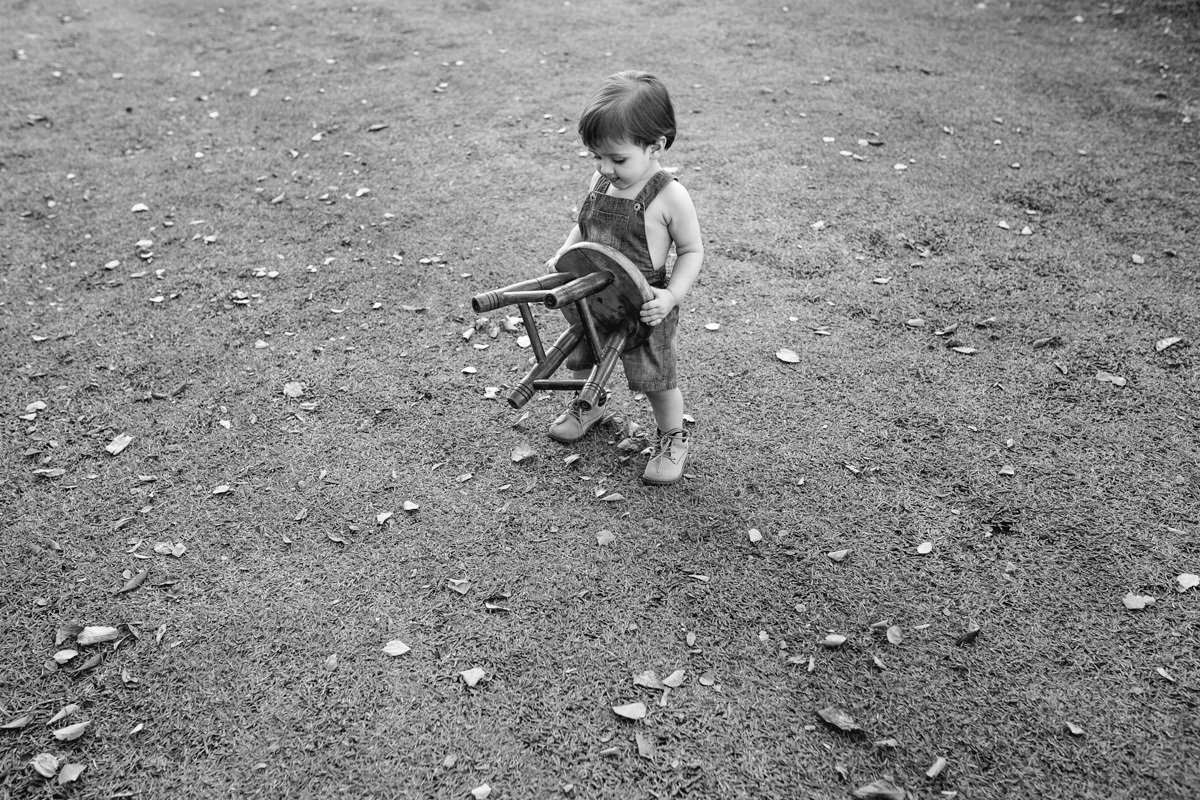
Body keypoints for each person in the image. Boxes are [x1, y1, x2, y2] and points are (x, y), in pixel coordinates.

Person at [546, 70, 704, 485]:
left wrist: (670, 296)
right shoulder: (600, 181)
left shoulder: (669, 196)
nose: (606, 168)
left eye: (618, 159)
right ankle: (589, 403)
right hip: (593, 293)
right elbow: (584, 225)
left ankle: (673, 437)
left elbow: (691, 251)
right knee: (583, 351)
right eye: (596, 156)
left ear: (656, 146)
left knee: (655, 376)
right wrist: (565, 252)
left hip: (644, 303)